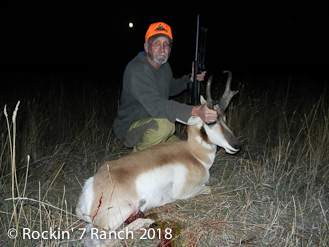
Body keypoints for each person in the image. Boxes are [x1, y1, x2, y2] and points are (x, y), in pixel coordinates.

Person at [114, 22, 217, 152]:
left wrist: (189, 80)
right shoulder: (137, 70)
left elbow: (171, 87)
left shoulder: (164, 66)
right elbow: (157, 107)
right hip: (131, 127)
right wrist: (196, 111)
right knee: (166, 125)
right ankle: (134, 163)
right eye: (156, 43)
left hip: (152, 122)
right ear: (146, 47)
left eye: (166, 44)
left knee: (185, 153)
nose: (162, 49)